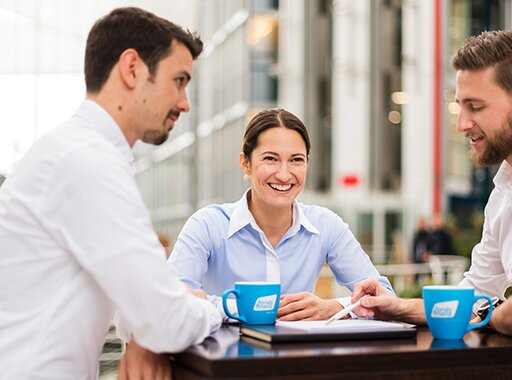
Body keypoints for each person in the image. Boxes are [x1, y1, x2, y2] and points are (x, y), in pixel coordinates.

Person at [351, 30, 512, 379]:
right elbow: (475, 293)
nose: (462, 123)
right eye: (460, 105)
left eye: (475, 107)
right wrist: (397, 307)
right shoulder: (504, 193)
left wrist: (484, 310)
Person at [0, 7, 222, 379]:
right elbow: (165, 318)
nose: (185, 103)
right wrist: (211, 307)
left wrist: (148, 331)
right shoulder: (87, 163)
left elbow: (136, 296)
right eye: (179, 80)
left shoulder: (73, 152)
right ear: (132, 68)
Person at [167, 108, 393, 321]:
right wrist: (248, 308)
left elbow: (384, 297)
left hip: (296, 359)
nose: (284, 175)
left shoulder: (326, 225)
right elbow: (172, 297)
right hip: (224, 358)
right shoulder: (208, 224)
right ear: (245, 164)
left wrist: (332, 308)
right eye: (270, 159)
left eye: (296, 160)